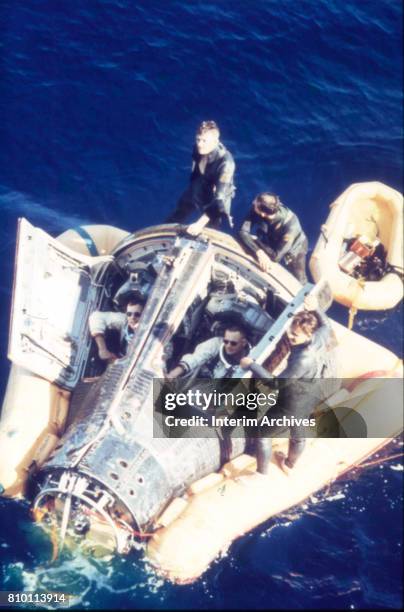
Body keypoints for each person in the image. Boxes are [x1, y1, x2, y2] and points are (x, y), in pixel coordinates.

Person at [240, 304, 337, 474]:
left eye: (295, 334)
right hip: (309, 399)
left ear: (309, 334)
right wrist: (316, 308)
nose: (290, 336)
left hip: (290, 405)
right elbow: (326, 325)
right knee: (298, 435)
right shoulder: (319, 338)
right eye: (290, 331)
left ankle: (261, 474)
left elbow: (276, 383)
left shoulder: (302, 359)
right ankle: (290, 464)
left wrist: (252, 365)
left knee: (262, 434)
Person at [166, 120, 236, 232]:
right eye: (198, 139)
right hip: (200, 184)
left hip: (218, 194)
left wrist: (199, 223)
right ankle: (166, 230)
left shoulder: (226, 164)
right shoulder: (199, 148)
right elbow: (195, 170)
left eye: (204, 141)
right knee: (181, 208)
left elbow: (219, 199)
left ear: (215, 141)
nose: (200, 144)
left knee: (209, 227)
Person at [239, 192, 308, 284]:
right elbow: (242, 232)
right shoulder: (258, 208)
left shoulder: (290, 226)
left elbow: (276, 257)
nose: (253, 202)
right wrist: (259, 252)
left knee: (298, 278)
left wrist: (256, 241)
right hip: (271, 237)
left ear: (263, 214)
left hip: (295, 246)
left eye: (255, 204)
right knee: (262, 261)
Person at [166, 324, 249, 380]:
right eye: (226, 341)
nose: (228, 345)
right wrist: (172, 374)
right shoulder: (216, 344)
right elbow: (196, 358)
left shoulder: (253, 358)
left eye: (233, 343)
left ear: (243, 343)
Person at [89, 297, 145, 361]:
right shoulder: (124, 320)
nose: (132, 317)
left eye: (137, 314)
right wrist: (102, 349)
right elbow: (96, 316)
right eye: (129, 314)